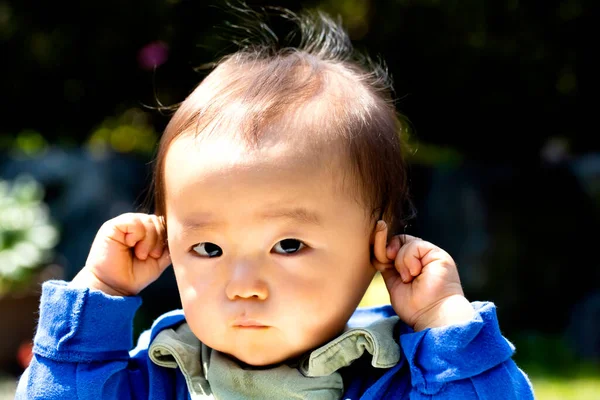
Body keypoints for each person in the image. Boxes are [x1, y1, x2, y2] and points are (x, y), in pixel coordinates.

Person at [16, 6, 535, 399]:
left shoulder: (404, 379)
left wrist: (442, 317)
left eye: (288, 244)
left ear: (377, 246)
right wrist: (99, 293)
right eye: (208, 249)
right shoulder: (157, 376)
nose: (244, 287)